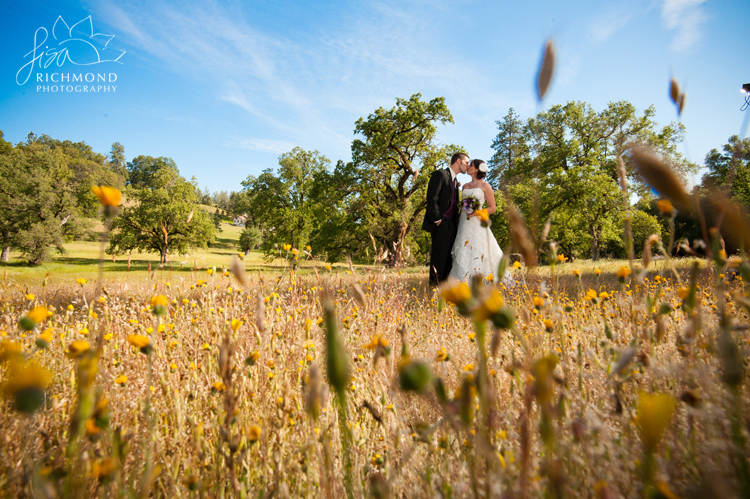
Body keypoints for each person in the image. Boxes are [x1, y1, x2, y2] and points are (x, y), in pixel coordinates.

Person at [449, 159, 508, 285]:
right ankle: (462, 282)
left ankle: (482, 282)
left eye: (470, 165)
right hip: (464, 222)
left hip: (478, 222)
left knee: (479, 249)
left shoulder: (485, 186)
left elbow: (493, 208)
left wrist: (476, 213)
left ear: (476, 169)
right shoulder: (464, 186)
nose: (468, 167)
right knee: (463, 250)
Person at [422, 152, 469, 286]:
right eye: (466, 162)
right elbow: (432, 198)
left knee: (449, 256)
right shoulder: (441, 174)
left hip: (452, 224)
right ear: (458, 161)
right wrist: (437, 219)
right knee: (439, 257)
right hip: (441, 222)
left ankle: (444, 287)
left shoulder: (455, 182)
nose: (468, 165)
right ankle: (434, 287)